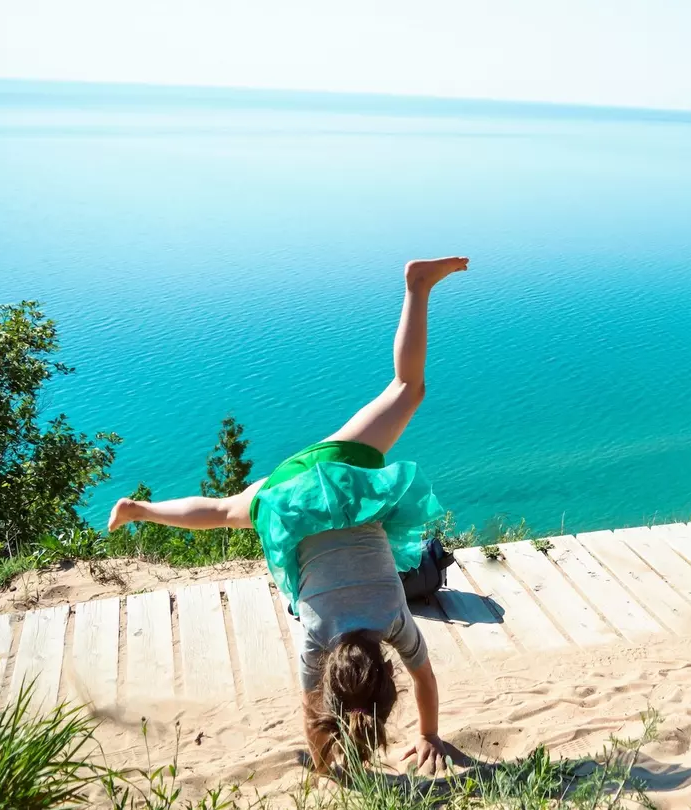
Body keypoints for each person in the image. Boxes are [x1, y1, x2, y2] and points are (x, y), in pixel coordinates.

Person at [107, 256, 469, 776]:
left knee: (407, 390)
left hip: (331, 476)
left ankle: (417, 286)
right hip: (284, 499)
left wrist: (429, 733)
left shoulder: (394, 618)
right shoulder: (316, 640)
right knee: (222, 511)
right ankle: (140, 510)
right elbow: (309, 713)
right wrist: (329, 762)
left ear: (384, 669)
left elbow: (425, 678)